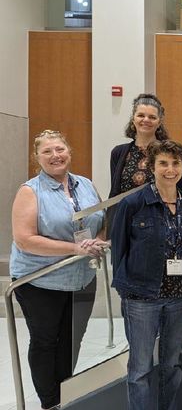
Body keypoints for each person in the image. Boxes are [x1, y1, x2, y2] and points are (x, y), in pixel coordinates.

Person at [10, 130, 108, 410]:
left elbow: (101, 219)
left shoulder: (86, 184)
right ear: (37, 158)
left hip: (81, 278)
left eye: (60, 149)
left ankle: (66, 395)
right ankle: (50, 402)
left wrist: (98, 239)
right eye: (47, 152)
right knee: (45, 342)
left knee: (71, 341)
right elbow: (25, 239)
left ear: (69, 152)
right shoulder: (30, 191)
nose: (55, 156)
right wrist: (75, 249)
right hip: (40, 282)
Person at [110, 140, 182, 410]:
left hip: (178, 296)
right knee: (140, 369)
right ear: (151, 166)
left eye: (175, 163)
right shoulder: (134, 203)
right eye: (163, 163)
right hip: (141, 297)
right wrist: (126, 288)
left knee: (171, 365)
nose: (170, 170)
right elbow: (119, 248)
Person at [108, 94, 182, 233]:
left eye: (152, 117)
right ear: (133, 118)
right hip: (127, 223)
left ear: (159, 122)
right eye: (141, 115)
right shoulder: (118, 153)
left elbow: (180, 192)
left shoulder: (173, 152)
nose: (146, 120)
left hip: (162, 225)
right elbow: (115, 193)